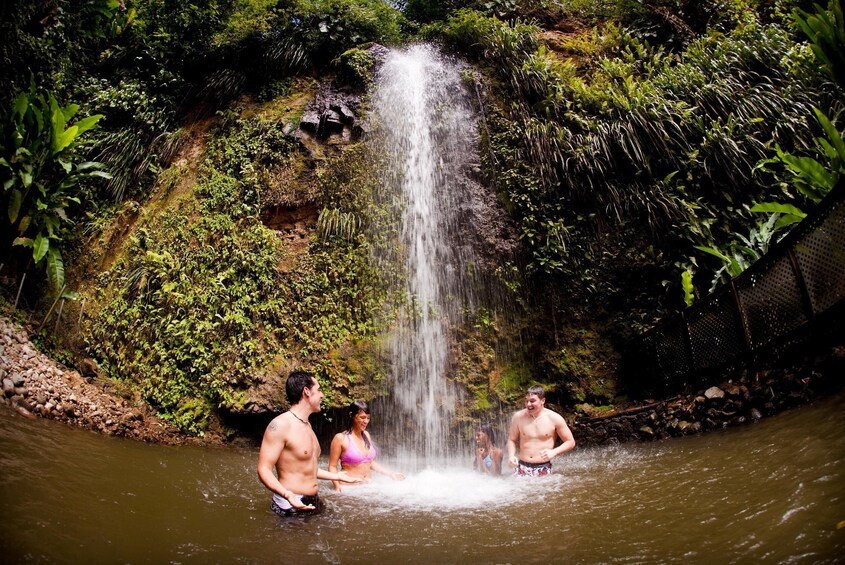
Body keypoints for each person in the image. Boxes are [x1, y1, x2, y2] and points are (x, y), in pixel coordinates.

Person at [257, 370, 361, 517]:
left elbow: (306, 467)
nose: (322, 395)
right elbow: (263, 469)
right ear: (306, 391)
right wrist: (287, 495)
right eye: (318, 390)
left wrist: (338, 476)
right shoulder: (280, 425)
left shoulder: (307, 426)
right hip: (290, 504)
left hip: (312, 500)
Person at [328, 400, 405, 491]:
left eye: (368, 418)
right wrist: (337, 486)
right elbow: (332, 466)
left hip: (368, 487)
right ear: (351, 415)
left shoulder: (366, 435)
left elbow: (369, 462)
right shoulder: (341, 438)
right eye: (362, 417)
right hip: (348, 488)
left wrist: (390, 474)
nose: (366, 421)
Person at [507, 385, 575, 476]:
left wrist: (554, 452)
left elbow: (570, 442)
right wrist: (511, 455)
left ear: (542, 401)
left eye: (532, 401)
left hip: (543, 467)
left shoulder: (554, 418)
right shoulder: (518, 417)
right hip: (522, 467)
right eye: (526, 401)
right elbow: (511, 439)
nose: (528, 404)